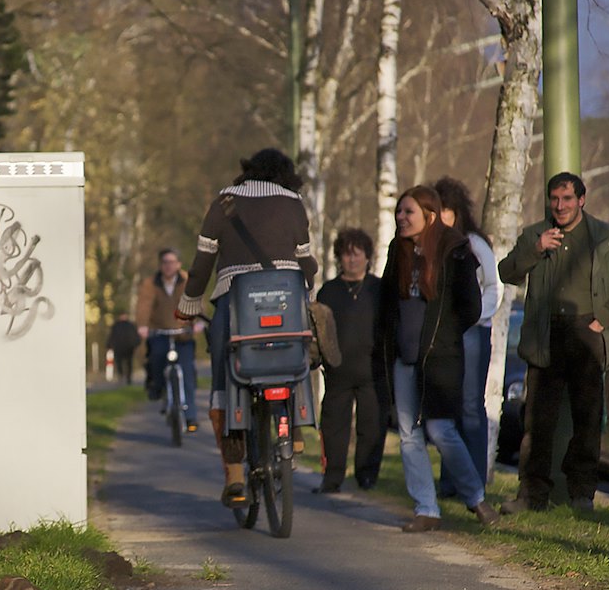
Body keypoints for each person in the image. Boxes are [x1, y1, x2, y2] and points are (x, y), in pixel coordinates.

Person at [177, 148, 317, 507]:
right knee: (295, 349)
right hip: (286, 303)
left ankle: (236, 476)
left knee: (225, 375)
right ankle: (296, 427)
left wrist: (189, 303)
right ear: (286, 175)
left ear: (248, 172)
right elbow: (306, 261)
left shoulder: (224, 202)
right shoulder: (293, 203)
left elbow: (203, 261)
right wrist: (306, 286)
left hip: (235, 304)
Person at [497, 172, 609, 513]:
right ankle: (531, 495)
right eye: (554, 199)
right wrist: (535, 249)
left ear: (581, 200)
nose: (560, 206)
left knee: (587, 418)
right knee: (537, 421)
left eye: (567, 199)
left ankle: (582, 494)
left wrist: (598, 321)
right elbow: (507, 272)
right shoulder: (536, 234)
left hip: (586, 333)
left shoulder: (604, 237)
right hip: (546, 334)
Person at [375, 185, 498, 532]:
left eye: (408, 212)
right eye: (399, 212)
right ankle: (426, 508)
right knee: (408, 433)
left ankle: (475, 498)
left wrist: (444, 335)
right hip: (404, 357)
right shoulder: (397, 251)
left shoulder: (454, 250)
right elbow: (386, 302)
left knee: (441, 429)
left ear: (429, 215)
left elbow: (471, 306)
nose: (401, 218)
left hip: (440, 358)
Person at [434, 176, 500, 491]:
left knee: (471, 405)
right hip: (446, 335)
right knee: (449, 404)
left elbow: (493, 287)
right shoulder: (432, 245)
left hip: (473, 333)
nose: (442, 217)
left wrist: (475, 318)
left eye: (447, 210)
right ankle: (451, 480)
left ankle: (475, 481)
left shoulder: (474, 244)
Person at [314, 227, 386, 493]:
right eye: (346, 255)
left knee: (371, 426)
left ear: (368, 257)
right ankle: (332, 478)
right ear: (339, 258)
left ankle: (366, 476)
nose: (352, 260)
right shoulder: (328, 292)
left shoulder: (379, 289)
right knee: (333, 427)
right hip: (337, 370)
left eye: (357, 254)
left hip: (372, 370)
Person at [136, 249, 201, 431]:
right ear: (160, 265)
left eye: (172, 262)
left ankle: (191, 416)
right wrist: (142, 325)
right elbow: (144, 304)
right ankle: (157, 388)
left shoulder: (187, 280)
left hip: (183, 334)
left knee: (187, 371)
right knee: (156, 358)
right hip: (160, 332)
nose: (168, 266)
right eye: (165, 262)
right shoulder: (151, 283)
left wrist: (197, 322)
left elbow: (196, 301)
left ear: (179, 264)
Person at [107, 312, 141, 385]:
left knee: (126, 363)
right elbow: (112, 336)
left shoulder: (126, 325)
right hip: (122, 347)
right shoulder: (124, 325)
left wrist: (109, 345)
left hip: (126, 347)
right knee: (124, 363)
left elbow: (111, 336)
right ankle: (123, 376)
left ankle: (126, 377)